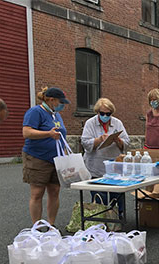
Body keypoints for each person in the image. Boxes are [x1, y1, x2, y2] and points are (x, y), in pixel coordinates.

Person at [22, 87, 70, 227]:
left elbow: (61, 135)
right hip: (38, 158)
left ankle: (51, 225)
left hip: (56, 159)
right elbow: (27, 132)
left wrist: (64, 153)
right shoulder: (35, 112)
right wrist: (47, 134)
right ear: (51, 100)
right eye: (61, 102)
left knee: (54, 191)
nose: (63, 105)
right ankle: (36, 226)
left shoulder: (56, 114)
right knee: (37, 193)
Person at [81, 98, 130, 216]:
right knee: (100, 197)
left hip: (114, 166)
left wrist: (118, 140)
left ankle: (117, 219)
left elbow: (127, 142)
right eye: (102, 113)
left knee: (117, 195)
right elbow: (85, 142)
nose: (105, 116)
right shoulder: (90, 123)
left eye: (108, 114)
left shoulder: (117, 123)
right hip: (96, 166)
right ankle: (101, 220)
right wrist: (99, 140)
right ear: (97, 112)